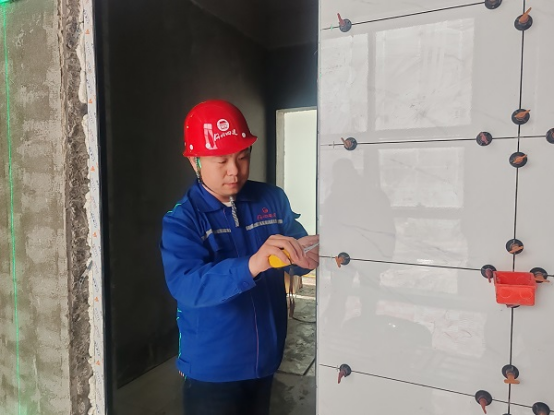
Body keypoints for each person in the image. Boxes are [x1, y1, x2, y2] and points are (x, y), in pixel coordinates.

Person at [160, 99, 319, 415]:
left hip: (266, 358)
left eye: (243, 157)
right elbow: (187, 285)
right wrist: (253, 264)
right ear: (194, 161)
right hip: (213, 370)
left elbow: (293, 244)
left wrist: (304, 256)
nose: (234, 170)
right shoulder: (183, 220)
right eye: (221, 161)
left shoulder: (271, 199)